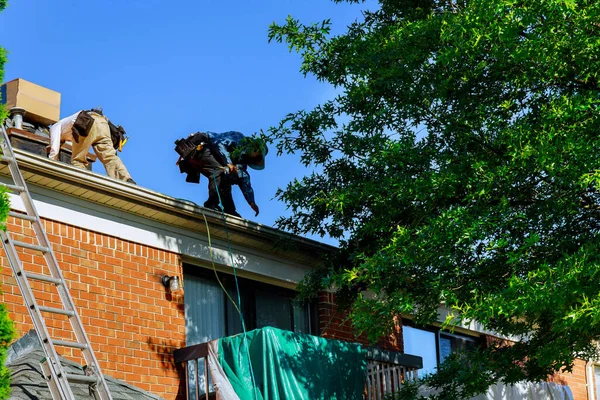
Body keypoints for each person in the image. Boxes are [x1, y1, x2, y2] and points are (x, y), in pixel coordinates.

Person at [175, 131, 266, 218]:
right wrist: (228, 163)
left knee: (226, 177)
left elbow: (243, 177)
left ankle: (229, 210)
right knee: (219, 170)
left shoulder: (242, 160)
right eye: (257, 155)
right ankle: (211, 204)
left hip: (206, 153)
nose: (256, 158)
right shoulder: (239, 138)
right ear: (255, 147)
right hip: (199, 146)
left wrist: (251, 202)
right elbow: (218, 144)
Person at [48, 108, 135, 184]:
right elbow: (77, 145)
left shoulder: (54, 127)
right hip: (103, 123)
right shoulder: (67, 128)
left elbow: (54, 150)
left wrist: (52, 165)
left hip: (86, 122)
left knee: (78, 160)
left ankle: (82, 182)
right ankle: (125, 179)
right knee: (109, 157)